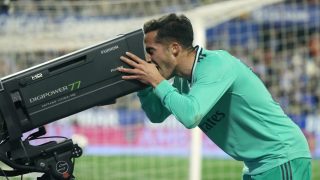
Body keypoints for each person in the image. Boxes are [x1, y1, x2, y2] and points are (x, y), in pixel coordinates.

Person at [118, 13, 311, 180]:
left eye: (151, 51)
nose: (148, 59)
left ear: (174, 48)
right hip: (258, 164)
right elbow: (157, 114)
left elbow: (190, 115)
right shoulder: (183, 79)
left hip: (281, 156)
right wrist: (143, 85)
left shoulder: (216, 65)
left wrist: (157, 81)